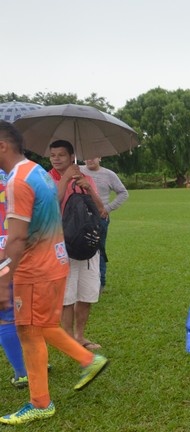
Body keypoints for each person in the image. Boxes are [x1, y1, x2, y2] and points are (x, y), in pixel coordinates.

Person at [0, 122, 108, 425]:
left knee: (29, 329)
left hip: (35, 268)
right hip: (54, 262)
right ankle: (85, 362)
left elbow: (17, 238)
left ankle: (42, 401)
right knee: (36, 327)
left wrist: (4, 280)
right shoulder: (36, 172)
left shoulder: (18, 181)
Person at [48, 140, 107, 351]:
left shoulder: (85, 178)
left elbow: (101, 211)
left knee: (87, 293)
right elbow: (52, 204)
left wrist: (88, 188)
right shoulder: (46, 179)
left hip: (88, 243)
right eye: (53, 155)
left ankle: (80, 336)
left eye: (61, 155)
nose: (56, 159)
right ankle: (68, 340)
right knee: (67, 296)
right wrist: (65, 178)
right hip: (62, 245)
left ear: (72, 157)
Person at [80, 157, 129, 291]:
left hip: (99, 218)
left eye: (93, 156)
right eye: (87, 157)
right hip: (80, 217)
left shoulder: (108, 174)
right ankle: (83, 281)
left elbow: (123, 193)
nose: (90, 160)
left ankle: (100, 281)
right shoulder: (77, 170)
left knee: (98, 249)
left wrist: (107, 208)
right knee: (78, 248)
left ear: (100, 157)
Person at [0, 167, 27, 388]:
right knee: (26, 312)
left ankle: (22, 372)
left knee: (6, 316)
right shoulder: (17, 172)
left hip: (3, 254)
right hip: (24, 250)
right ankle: (35, 360)